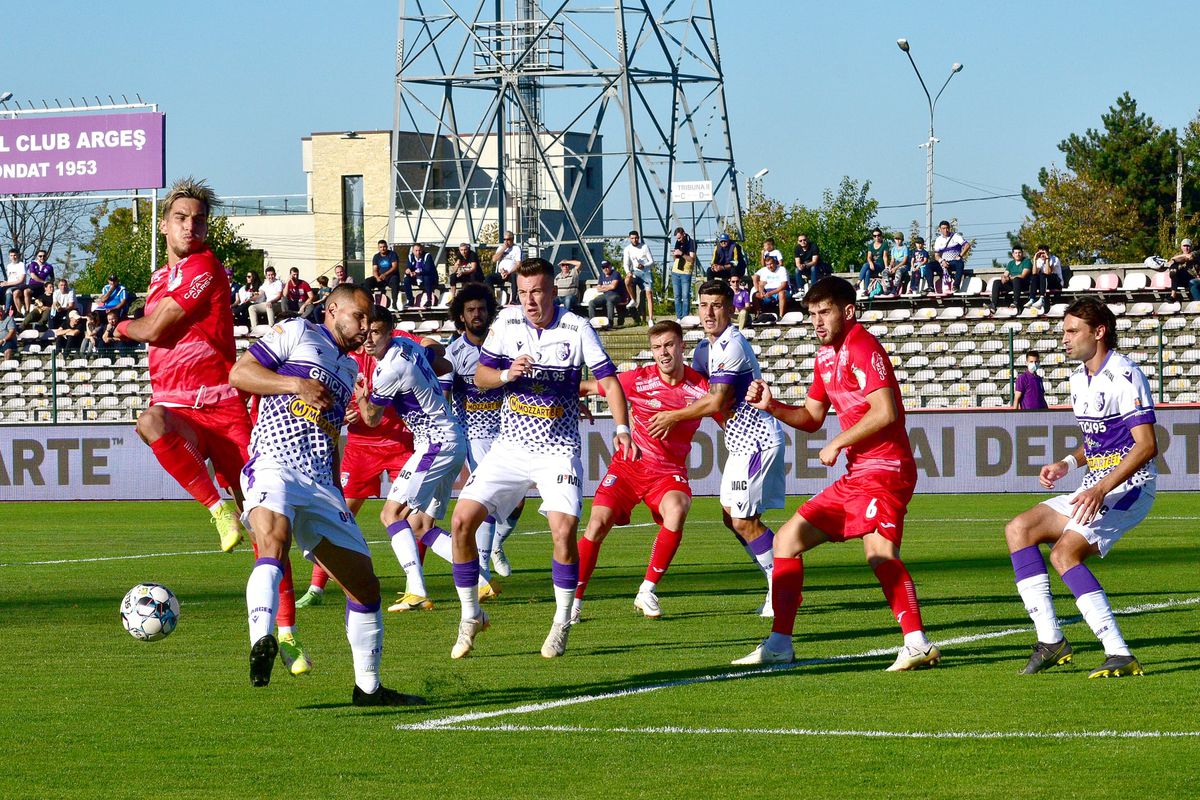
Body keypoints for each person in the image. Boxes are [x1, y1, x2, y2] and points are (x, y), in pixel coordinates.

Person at [113, 177, 310, 677]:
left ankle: (283, 631)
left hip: (223, 409)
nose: (190, 226)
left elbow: (156, 330)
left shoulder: (204, 267)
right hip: (178, 405)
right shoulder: (162, 277)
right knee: (150, 421)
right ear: (164, 224)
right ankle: (216, 510)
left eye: (198, 219)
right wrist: (140, 316)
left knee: (267, 528)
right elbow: (160, 325)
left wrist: (120, 323)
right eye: (181, 218)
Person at [230, 284, 425, 705]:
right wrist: (295, 384)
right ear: (333, 309)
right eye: (358, 317)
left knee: (367, 588)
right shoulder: (297, 331)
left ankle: (368, 689)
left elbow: (330, 431)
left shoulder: (351, 367)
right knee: (272, 542)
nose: (365, 327)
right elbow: (239, 373)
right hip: (275, 463)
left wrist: (335, 485)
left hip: (321, 483)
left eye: (370, 321)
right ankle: (261, 640)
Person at [732, 276, 939, 670]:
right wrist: (772, 406)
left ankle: (917, 641)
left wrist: (839, 441)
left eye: (824, 312)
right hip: (858, 473)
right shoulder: (825, 357)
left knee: (879, 553)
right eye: (812, 314)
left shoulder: (863, 345)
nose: (817, 321)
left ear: (848, 311)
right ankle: (779, 643)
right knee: (787, 540)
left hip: (887, 468)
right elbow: (811, 417)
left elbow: (886, 412)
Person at [447, 258, 634, 660]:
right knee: (461, 521)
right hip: (509, 448)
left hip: (557, 450)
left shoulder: (576, 327)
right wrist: (504, 376)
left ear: (553, 291)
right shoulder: (508, 325)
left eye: (536, 292)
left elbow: (608, 382)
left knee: (564, 532)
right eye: (522, 292)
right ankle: (470, 616)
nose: (529, 300)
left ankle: (561, 621)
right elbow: (481, 375)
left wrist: (621, 429)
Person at [1002, 297, 1157, 678]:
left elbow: (1147, 445)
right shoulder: (1077, 378)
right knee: (1019, 528)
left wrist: (1101, 488)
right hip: (1096, 484)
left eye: (1073, 331)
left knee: (1063, 554)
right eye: (1064, 332)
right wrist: (1066, 464)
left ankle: (1119, 652)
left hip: (1129, 488)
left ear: (1099, 332)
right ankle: (1052, 641)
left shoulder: (1124, 374)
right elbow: (1099, 440)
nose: (1064, 340)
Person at [648, 279, 784, 617]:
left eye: (717, 305)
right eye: (704, 305)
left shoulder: (732, 345)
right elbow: (689, 390)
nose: (709, 312)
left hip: (756, 440)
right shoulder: (704, 350)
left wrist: (672, 417)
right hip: (738, 444)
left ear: (731, 308)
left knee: (743, 520)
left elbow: (717, 400)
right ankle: (778, 578)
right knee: (732, 518)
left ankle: (782, 586)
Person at [571, 320, 711, 622]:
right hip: (628, 467)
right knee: (596, 524)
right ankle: (574, 602)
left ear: (682, 346)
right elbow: (591, 386)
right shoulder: (637, 379)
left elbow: (726, 407)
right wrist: (571, 399)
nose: (663, 353)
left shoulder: (700, 387)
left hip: (667, 473)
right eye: (657, 347)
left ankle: (647, 590)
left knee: (677, 508)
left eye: (670, 345)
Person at [357, 304, 473, 615]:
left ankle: (416, 590)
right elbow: (437, 358)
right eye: (365, 332)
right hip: (451, 439)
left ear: (389, 333)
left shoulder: (389, 368)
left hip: (434, 443)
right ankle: (481, 579)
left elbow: (370, 418)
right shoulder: (408, 345)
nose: (369, 339)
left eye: (376, 333)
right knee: (421, 525)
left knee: (391, 515)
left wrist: (360, 396)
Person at [442, 283, 526, 582]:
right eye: (470, 310)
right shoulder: (453, 353)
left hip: (507, 431)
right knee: (487, 496)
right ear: (461, 316)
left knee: (518, 500)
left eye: (481, 309)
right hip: (473, 433)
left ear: (490, 312)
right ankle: (483, 568)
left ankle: (496, 544)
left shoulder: (502, 348)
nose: (476, 314)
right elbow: (445, 394)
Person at [622, 229, 655, 325]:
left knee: (649, 294)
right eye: (632, 238)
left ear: (638, 238)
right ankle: (633, 299)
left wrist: (644, 266)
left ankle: (651, 319)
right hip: (635, 272)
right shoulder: (627, 249)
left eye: (636, 238)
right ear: (629, 239)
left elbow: (651, 261)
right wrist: (628, 272)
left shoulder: (644, 247)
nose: (634, 240)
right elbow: (626, 264)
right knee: (627, 280)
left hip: (646, 272)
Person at [991, 246, 1033, 312]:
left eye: (1019, 253)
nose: (1018, 254)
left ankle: (1015, 303)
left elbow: (1023, 276)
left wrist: (1009, 278)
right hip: (1013, 284)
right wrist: (1003, 278)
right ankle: (993, 305)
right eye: (1016, 253)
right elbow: (1005, 274)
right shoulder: (1011, 263)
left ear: (1022, 253)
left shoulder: (1027, 261)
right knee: (997, 282)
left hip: (1023, 284)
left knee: (1016, 279)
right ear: (1013, 254)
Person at [933, 219, 972, 292]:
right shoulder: (938, 240)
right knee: (929, 266)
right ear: (940, 229)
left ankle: (956, 286)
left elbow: (967, 245)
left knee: (960, 263)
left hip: (953, 262)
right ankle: (930, 288)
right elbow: (936, 255)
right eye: (943, 228)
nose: (946, 230)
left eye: (947, 228)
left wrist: (960, 256)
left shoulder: (955, 236)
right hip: (944, 263)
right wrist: (941, 261)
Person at [364, 240, 401, 306]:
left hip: (390, 278)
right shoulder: (376, 256)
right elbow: (375, 269)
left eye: (384, 247)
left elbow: (394, 267)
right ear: (378, 248)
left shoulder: (392, 254)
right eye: (381, 247)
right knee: (367, 281)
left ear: (387, 247)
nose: (383, 248)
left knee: (395, 280)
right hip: (380, 278)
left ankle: (394, 303)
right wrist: (377, 277)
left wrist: (385, 274)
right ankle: (370, 302)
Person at [670, 227, 696, 318]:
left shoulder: (691, 243)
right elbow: (675, 259)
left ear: (684, 234)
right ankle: (679, 316)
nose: (678, 240)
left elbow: (692, 259)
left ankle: (685, 316)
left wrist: (682, 254)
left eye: (679, 238)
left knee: (685, 296)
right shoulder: (678, 243)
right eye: (677, 238)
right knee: (677, 296)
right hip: (675, 271)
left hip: (686, 272)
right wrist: (675, 255)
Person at [489, 232, 522, 303]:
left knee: (514, 276)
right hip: (501, 273)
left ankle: (513, 299)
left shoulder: (516, 248)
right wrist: (503, 249)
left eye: (508, 239)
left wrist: (508, 272)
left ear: (512, 239)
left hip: (511, 273)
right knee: (489, 278)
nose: (506, 241)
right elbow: (494, 259)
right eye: (504, 239)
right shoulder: (501, 248)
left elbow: (518, 264)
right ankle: (492, 300)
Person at [403, 242, 437, 309]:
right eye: (416, 251)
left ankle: (429, 300)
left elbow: (428, 270)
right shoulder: (410, 257)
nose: (418, 253)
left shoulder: (427, 256)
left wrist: (417, 273)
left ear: (422, 250)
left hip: (429, 279)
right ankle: (410, 300)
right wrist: (408, 271)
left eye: (419, 250)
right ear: (413, 251)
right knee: (406, 279)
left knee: (427, 277)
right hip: (416, 278)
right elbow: (409, 267)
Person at [1029, 244, 1063, 309]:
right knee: (1034, 277)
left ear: (1048, 252)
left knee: (1043, 274)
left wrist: (1047, 259)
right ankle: (1032, 299)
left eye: (1043, 253)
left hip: (1056, 282)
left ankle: (1042, 298)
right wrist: (1035, 260)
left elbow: (1048, 272)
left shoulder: (1055, 259)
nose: (1042, 255)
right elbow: (1034, 272)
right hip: (1045, 282)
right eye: (1040, 253)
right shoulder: (1039, 260)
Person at [858, 228, 888, 297]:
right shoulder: (871, 246)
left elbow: (885, 257)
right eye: (875, 236)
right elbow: (868, 257)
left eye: (878, 235)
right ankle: (866, 290)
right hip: (872, 266)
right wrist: (871, 262)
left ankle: (858, 282)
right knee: (867, 271)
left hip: (880, 266)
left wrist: (886, 267)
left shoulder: (884, 244)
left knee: (865, 265)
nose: (877, 237)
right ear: (873, 237)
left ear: (881, 236)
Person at [1, 248, 27, 315]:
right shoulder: (9, 266)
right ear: (9, 256)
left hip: (19, 285)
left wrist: (7, 284)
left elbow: (21, 280)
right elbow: (10, 279)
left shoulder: (21, 265)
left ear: (18, 255)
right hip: (9, 284)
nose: (13, 257)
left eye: (15, 255)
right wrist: (4, 283)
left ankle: (7, 311)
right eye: (11, 255)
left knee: (9, 291)